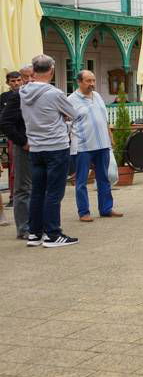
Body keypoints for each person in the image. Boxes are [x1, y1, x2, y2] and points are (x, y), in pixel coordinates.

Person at [19, 55, 79, 247]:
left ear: (34, 70)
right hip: (55, 146)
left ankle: (34, 233)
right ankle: (53, 234)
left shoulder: (23, 91)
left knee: (37, 192)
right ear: (51, 71)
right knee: (54, 192)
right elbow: (74, 114)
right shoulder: (55, 93)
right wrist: (62, 117)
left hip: (36, 147)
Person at [68, 70, 123, 221]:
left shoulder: (97, 96)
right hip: (83, 146)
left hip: (102, 144)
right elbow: (66, 123)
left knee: (104, 178)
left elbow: (104, 119)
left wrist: (110, 136)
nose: (92, 84)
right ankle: (84, 212)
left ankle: (106, 209)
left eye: (93, 80)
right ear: (79, 82)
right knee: (81, 181)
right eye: (88, 81)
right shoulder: (71, 100)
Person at [1, 70, 32, 238]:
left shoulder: (38, 93)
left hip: (39, 145)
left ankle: (35, 223)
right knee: (21, 183)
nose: (17, 83)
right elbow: (5, 122)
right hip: (20, 143)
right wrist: (22, 141)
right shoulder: (9, 97)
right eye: (14, 81)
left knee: (36, 185)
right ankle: (23, 227)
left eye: (19, 80)